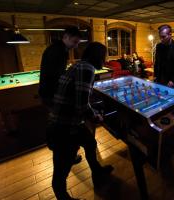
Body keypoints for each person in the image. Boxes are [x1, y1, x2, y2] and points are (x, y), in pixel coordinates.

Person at [47, 42, 114, 200]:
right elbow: (82, 105)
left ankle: (97, 171)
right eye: (104, 56)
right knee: (62, 168)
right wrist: (96, 116)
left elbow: (80, 99)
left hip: (66, 120)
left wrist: (92, 112)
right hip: (64, 125)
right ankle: (63, 197)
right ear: (97, 56)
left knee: (90, 143)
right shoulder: (87, 69)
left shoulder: (80, 65)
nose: (104, 60)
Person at [39, 26, 83, 165]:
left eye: (77, 43)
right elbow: (56, 76)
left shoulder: (57, 49)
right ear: (65, 37)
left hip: (48, 92)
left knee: (57, 124)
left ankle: (64, 155)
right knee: (62, 126)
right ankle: (66, 157)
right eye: (74, 42)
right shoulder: (58, 52)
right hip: (51, 93)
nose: (76, 46)